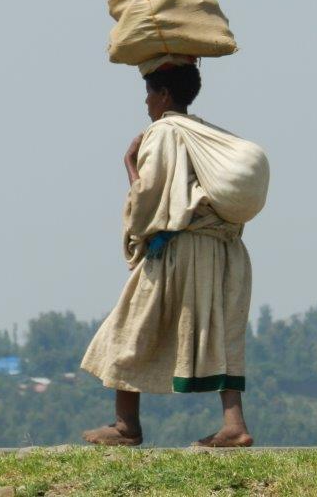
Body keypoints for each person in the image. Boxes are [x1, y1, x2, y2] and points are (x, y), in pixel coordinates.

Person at [80, 61, 254, 447]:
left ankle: (126, 425)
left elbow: (149, 196)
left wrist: (129, 164)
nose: (146, 102)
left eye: (149, 93)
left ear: (165, 95)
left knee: (129, 325)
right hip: (224, 249)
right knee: (219, 333)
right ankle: (234, 424)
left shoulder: (163, 133)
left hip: (178, 250)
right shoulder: (205, 133)